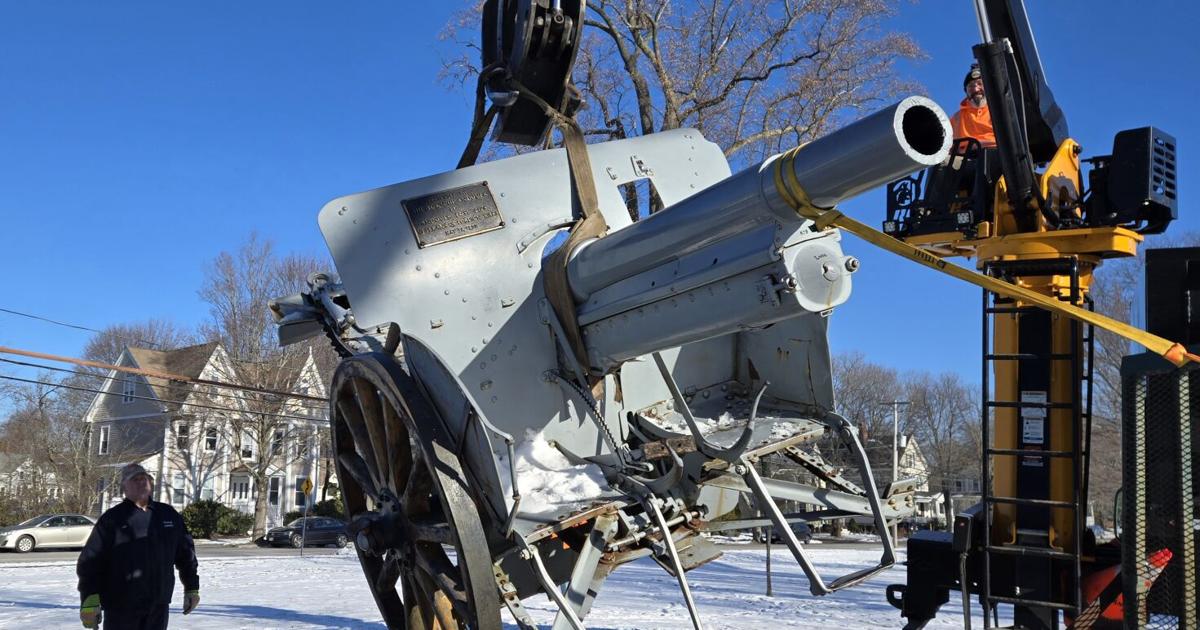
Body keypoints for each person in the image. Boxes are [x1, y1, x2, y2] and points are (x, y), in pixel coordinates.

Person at [77, 463, 200, 629]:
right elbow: (91, 561)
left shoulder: (168, 515)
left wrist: (191, 587)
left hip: (158, 604)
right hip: (121, 607)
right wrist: (89, 598)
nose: (141, 482)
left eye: (145, 478)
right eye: (135, 479)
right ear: (124, 488)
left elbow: (186, 555)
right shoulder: (113, 519)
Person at [949, 63, 996, 148]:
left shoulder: (1000, 112)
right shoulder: (955, 119)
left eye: (980, 83)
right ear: (966, 92)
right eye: (970, 86)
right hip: (964, 158)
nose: (975, 89)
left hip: (998, 155)